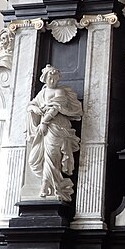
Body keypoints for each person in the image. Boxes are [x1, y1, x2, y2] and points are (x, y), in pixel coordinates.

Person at [26, 65, 83, 201]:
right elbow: (31, 105)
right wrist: (35, 108)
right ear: (45, 79)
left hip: (57, 127)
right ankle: (54, 184)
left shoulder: (60, 92)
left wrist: (44, 122)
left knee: (52, 157)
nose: (52, 80)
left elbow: (55, 108)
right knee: (37, 159)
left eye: (54, 77)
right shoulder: (43, 93)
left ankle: (46, 187)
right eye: (49, 78)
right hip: (43, 129)